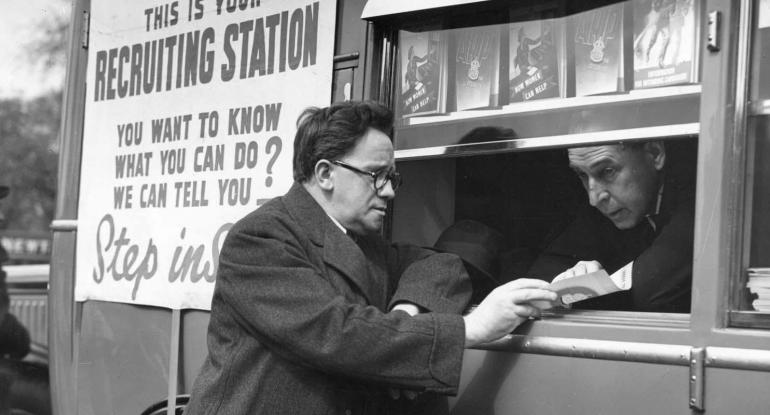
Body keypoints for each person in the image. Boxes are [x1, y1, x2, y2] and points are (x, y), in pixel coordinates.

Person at [186, 101, 557, 415]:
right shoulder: (260, 237)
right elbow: (334, 334)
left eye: (393, 177)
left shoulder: (364, 242)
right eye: (377, 176)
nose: (390, 192)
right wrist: (470, 329)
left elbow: (441, 264)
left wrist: (406, 313)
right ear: (325, 173)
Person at [527, 139, 695, 313]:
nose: (594, 199)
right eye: (582, 175)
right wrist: (574, 280)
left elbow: (649, 293)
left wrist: (589, 288)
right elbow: (537, 284)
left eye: (608, 171)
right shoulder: (609, 206)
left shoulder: (698, 198)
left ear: (655, 154)